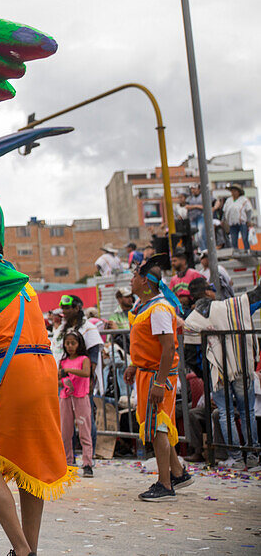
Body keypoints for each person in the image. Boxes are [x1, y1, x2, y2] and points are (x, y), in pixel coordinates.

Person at [0, 214, 71, 556]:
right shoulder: (22, 282)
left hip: (10, 370)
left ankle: (20, 549)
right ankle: (29, 549)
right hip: (45, 369)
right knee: (29, 464)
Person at [123, 254, 193, 500]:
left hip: (157, 376)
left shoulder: (160, 309)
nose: (131, 280)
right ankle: (177, 472)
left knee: (158, 428)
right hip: (147, 374)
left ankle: (164, 484)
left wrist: (160, 383)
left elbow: (168, 349)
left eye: (134, 276)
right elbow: (148, 344)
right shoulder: (145, 307)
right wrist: (134, 364)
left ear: (144, 281)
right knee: (156, 425)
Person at [183, 276, 261, 470]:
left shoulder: (192, 319)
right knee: (247, 412)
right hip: (242, 367)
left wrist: (206, 376)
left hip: (217, 374)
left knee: (225, 414)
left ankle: (234, 457)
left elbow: (191, 355)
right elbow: (256, 298)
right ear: (209, 292)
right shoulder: (231, 306)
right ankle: (252, 456)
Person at [58, 331, 94, 477]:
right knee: (65, 432)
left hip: (81, 397)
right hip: (66, 397)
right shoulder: (63, 361)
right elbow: (58, 380)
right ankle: (67, 461)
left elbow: (86, 373)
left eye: (73, 343)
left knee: (84, 431)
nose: (70, 346)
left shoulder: (84, 359)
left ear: (79, 344)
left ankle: (87, 463)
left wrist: (68, 371)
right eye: (67, 343)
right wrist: (64, 381)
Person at [223, 184, 254, 253]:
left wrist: (249, 220)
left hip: (242, 222)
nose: (233, 193)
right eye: (232, 191)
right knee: (233, 239)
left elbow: (249, 210)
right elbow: (224, 211)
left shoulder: (244, 200)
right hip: (232, 223)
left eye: (235, 191)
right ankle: (236, 252)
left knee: (244, 238)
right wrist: (225, 221)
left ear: (239, 192)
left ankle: (247, 250)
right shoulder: (228, 200)